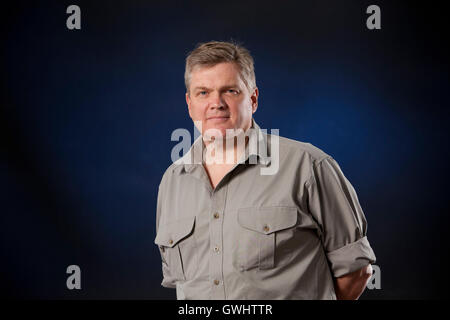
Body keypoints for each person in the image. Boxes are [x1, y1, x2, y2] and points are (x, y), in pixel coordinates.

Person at [154, 40, 376, 300]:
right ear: (190, 104)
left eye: (231, 91)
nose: (217, 103)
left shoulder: (308, 166)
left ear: (253, 99)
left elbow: (355, 271)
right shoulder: (172, 181)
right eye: (203, 93)